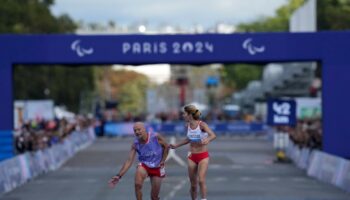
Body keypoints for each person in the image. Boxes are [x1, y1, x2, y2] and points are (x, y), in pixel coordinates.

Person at [108, 122, 169, 200]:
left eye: (139, 129)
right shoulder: (135, 144)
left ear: (144, 129)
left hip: (157, 167)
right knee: (137, 185)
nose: (137, 132)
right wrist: (119, 175)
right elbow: (129, 161)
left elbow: (166, 146)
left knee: (154, 197)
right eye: (135, 130)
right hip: (144, 165)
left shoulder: (155, 137)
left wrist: (163, 160)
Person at [170, 105, 216, 200]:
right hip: (191, 156)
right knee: (193, 185)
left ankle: (203, 199)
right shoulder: (187, 126)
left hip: (203, 156)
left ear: (190, 114)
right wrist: (176, 145)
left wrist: (208, 140)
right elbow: (188, 139)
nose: (183, 115)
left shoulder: (202, 125)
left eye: (184, 113)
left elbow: (213, 135)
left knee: (201, 180)